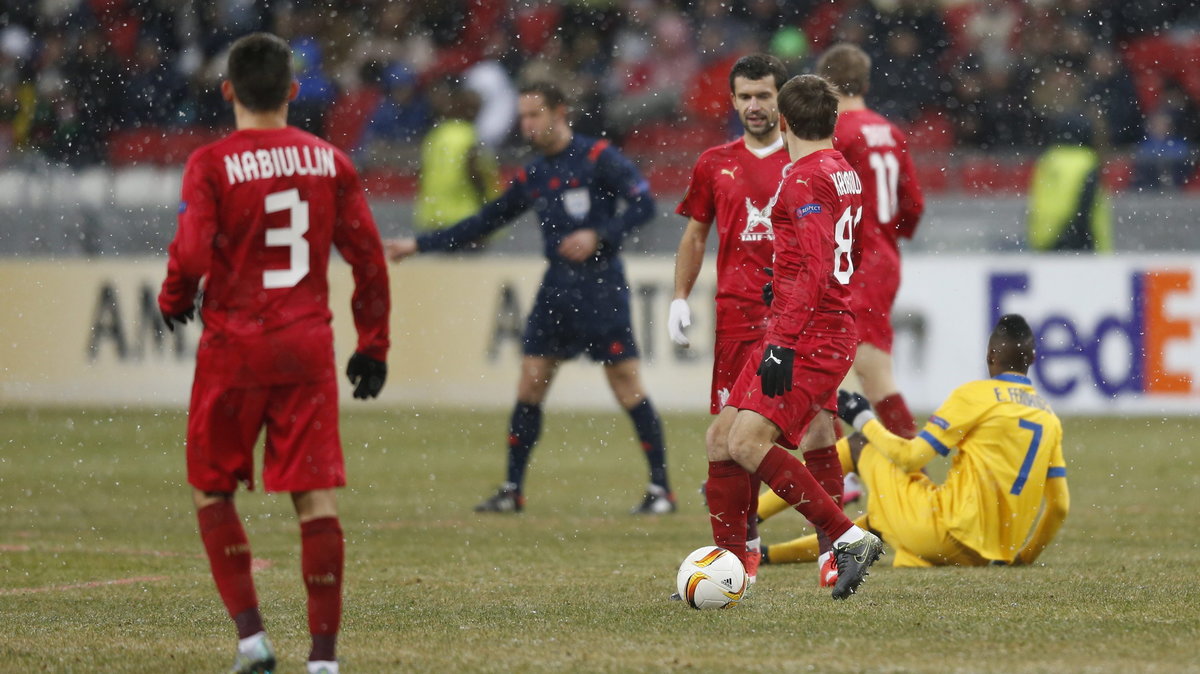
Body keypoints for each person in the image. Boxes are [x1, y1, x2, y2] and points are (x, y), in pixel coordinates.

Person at [158, 33, 390, 674]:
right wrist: (374, 345)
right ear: (292, 91)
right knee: (314, 498)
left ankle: (254, 643)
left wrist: (175, 294)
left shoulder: (210, 163)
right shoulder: (330, 161)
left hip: (235, 347)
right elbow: (369, 260)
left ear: (228, 90)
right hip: (306, 347)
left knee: (213, 489)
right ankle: (322, 661)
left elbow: (195, 252)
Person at [384, 81, 673, 515]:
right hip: (557, 286)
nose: (527, 124)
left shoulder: (598, 158)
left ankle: (661, 490)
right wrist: (420, 245)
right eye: (522, 116)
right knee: (531, 379)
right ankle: (512, 489)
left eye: (534, 114)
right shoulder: (535, 173)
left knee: (625, 381)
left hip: (599, 285)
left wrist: (600, 234)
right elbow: (486, 220)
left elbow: (644, 204)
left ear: (560, 112)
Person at [702, 73, 883, 601]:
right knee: (720, 439)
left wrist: (781, 337)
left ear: (782, 121)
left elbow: (816, 265)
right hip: (810, 323)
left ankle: (848, 539)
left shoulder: (803, 178)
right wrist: (775, 285)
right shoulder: (842, 169)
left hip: (811, 333)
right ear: (833, 121)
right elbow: (819, 256)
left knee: (746, 442)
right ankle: (728, 570)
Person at [671, 53, 845, 586]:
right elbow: (697, 234)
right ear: (731, 100)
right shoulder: (713, 163)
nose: (753, 106)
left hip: (796, 322)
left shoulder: (808, 166)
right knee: (726, 436)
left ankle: (833, 550)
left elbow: (826, 253)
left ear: (781, 102)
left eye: (763, 96)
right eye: (743, 96)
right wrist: (680, 296)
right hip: (738, 319)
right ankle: (737, 557)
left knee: (816, 427)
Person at [754, 44, 926, 566]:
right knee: (842, 385)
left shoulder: (839, 136)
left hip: (850, 259)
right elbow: (913, 207)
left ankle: (910, 475)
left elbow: (821, 219)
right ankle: (848, 483)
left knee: (871, 374)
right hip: (881, 255)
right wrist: (886, 235)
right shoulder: (889, 131)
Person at [766, 315, 1069, 568]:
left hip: (945, 534)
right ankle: (767, 555)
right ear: (1031, 359)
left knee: (860, 444)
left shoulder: (975, 395)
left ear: (990, 356)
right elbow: (1059, 507)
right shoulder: (1048, 416)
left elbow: (911, 457)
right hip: (982, 554)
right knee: (880, 520)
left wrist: (863, 418)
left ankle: (751, 516)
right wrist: (1024, 558)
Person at [413, 78, 500, 250]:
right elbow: (475, 175)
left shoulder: (436, 135)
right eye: (476, 108)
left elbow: (422, 172)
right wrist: (489, 212)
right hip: (466, 221)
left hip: (435, 219)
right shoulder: (468, 137)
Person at [1027, 112, 1113, 252]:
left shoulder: (1048, 159)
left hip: (1045, 239)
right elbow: (1085, 205)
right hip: (1077, 242)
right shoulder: (1087, 161)